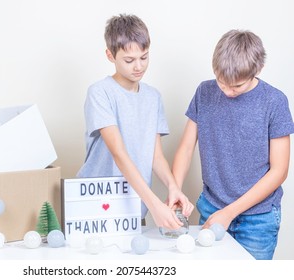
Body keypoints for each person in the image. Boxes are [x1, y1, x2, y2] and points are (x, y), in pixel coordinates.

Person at [172, 29, 294, 259]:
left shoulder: (274, 102)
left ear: (257, 70)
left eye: (236, 86)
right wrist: (175, 188)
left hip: (258, 219)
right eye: (221, 82)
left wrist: (229, 213)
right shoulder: (204, 92)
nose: (227, 90)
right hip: (211, 208)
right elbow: (186, 148)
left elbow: (279, 171)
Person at [77, 14, 194, 230]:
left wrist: (173, 186)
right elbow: (119, 153)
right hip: (95, 202)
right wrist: (155, 204)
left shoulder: (153, 97)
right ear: (110, 55)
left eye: (144, 57)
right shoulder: (100, 93)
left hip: (133, 205)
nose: (138, 66)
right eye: (129, 60)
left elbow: (155, 155)